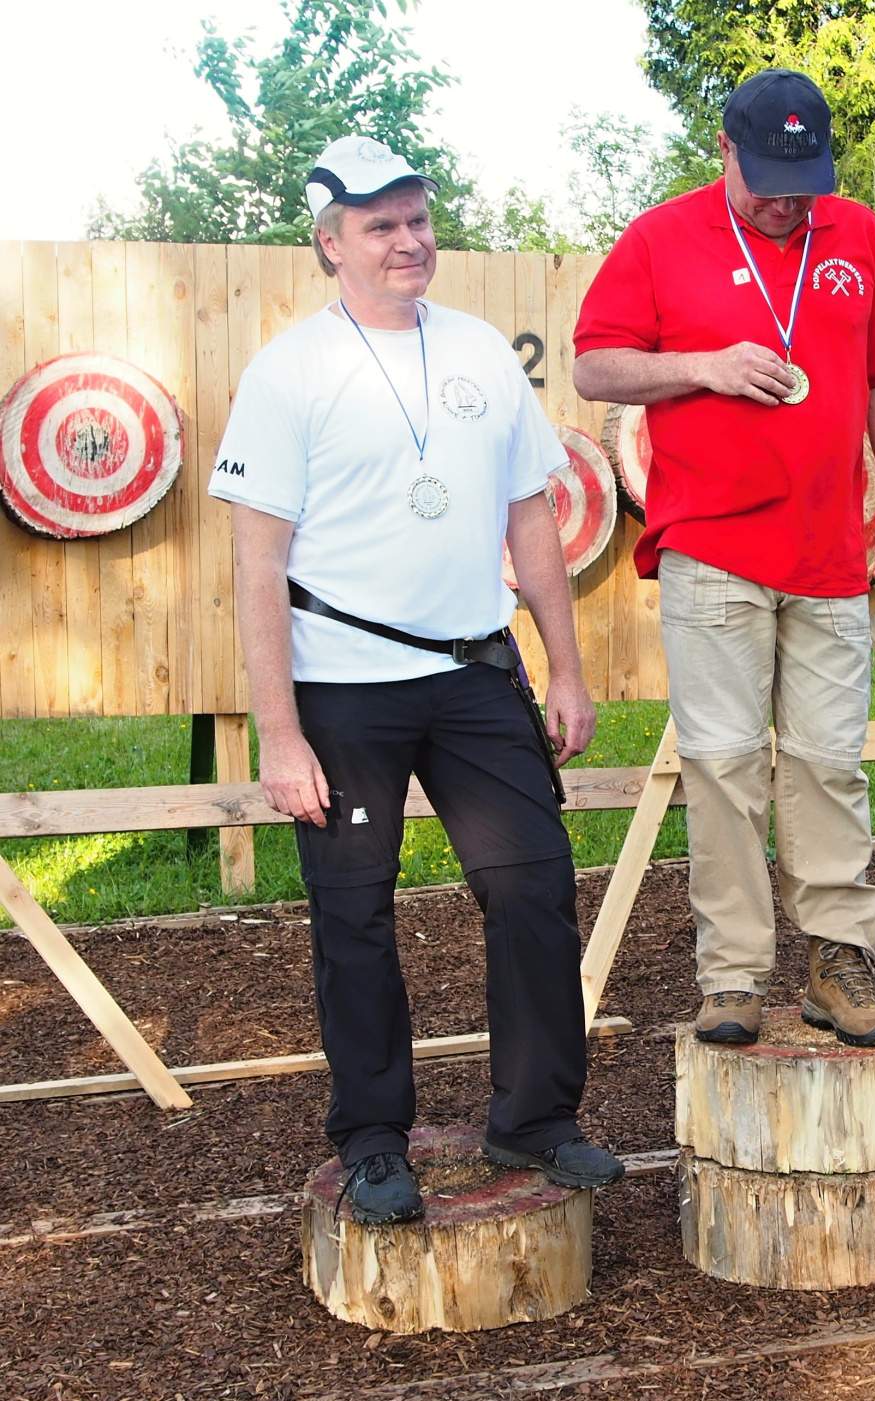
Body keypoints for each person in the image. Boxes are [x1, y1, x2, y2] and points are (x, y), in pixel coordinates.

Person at [210, 136, 624, 1224]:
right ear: (331, 241)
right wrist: (281, 734)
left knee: (532, 885)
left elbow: (529, 512)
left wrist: (564, 668)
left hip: (475, 672)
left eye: (417, 218)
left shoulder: (483, 350)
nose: (408, 241)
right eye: (380, 225)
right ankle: (373, 1136)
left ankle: (534, 1119)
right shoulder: (290, 370)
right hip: (341, 683)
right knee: (354, 914)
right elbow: (257, 562)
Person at [573, 69, 875, 1049]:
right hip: (711, 547)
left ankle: (834, 958)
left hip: (828, 551)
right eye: (768, 178)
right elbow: (594, 364)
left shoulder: (854, 233)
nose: (786, 200)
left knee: (826, 762)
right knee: (724, 764)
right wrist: (700, 366)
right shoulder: (658, 237)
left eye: (802, 179)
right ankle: (730, 973)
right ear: (722, 150)